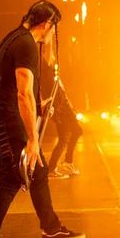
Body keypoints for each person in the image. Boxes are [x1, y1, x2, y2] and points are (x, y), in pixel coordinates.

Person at [0, 0, 85, 238]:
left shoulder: (14, 37)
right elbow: (22, 92)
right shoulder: (26, 44)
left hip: (6, 116)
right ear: (46, 24)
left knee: (39, 172)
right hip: (11, 122)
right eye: (52, 27)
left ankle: (51, 227)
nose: (51, 33)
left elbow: (14, 88)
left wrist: (39, 104)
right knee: (11, 178)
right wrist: (33, 138)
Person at [41, 36, 83, 179]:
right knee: (66, 136)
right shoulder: (45, 71)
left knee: (74, 132)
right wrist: (50, 33)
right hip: (60, 109)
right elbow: (49, 50)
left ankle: (65, 163)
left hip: (64, 106)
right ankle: (54, 168)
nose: (52, 58)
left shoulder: (51, 72)